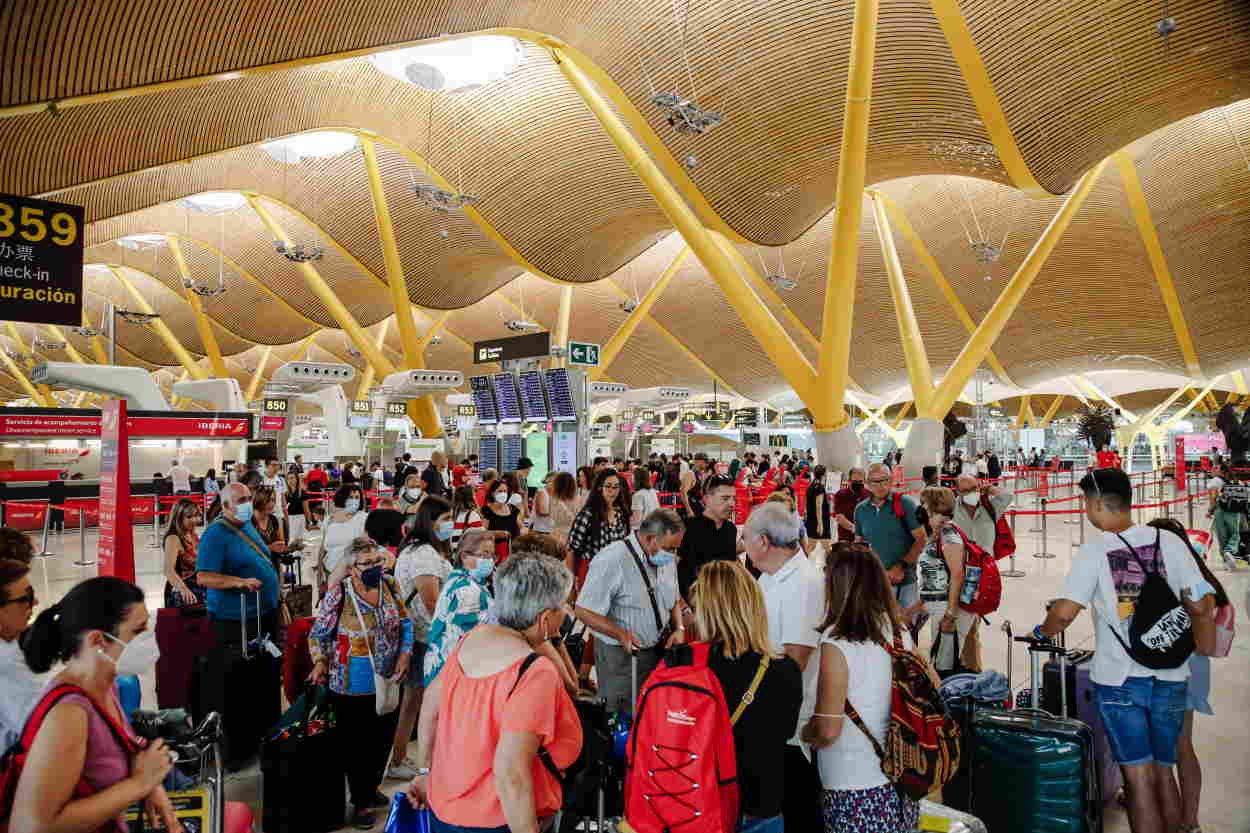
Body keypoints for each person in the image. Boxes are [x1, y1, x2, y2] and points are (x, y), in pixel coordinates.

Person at [1032, 468, 1216, 833]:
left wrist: (1042, 629)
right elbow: (1204, 602)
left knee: (1138, 779)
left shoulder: (1095, 550)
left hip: (1120, 681)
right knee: (1164, 770)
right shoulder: (1170, 541)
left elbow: (1065, 613)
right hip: (1171, 678)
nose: (1085, 510)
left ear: (1098, 504)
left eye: (1086, 502)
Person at [407, 554, 582, 833]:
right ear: (545, 617)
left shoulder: (473, 638)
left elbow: (430, 706)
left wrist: (425, 773)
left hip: (447, 807)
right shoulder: (534, 672)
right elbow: (511, 773)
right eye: (564, 605)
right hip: (498, 819)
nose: (567, 612)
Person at [14, 577, 182, 833]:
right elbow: (32, 826)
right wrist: (139, 784)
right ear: (98, 641)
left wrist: (149, 785)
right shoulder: (68, 714)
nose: (149, 638)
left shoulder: (104, 685)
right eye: (138, 631)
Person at [802, 541, 919, 833]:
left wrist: (804, 733)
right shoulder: (898, 631)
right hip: (900, 780)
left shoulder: (837, 644)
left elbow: (828, 731)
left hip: (852, 783)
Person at [309, 537, 413, 830]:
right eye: (366, 563)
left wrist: (405, 654)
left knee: (382, 739)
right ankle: (361, 802)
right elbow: (318, 634)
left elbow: (405, 623)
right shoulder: (339, 594)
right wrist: (319, 661)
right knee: (356, 745)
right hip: (349, 682)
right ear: (351, 568)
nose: (374, 567)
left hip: (390, 677)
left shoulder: (390, 586)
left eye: (377, 561)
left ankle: (370, 786)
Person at [694, 561, 803, 833]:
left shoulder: (684, 668)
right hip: (760, 802)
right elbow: (785, 731)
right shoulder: (783, 671)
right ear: (754, 604)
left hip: (698, 802)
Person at [743, 501, 826, 831]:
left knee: (796, 813)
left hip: (789, 726)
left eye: (745, 538)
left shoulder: (804, 583)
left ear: (763, 542)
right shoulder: (771, 577)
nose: (742, 546)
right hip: (768, 720)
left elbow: (795, 662)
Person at [1147, 518, 1230, 833]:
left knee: (1160, 751)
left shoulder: (1163, 576)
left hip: (1170, 669)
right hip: (1196, 668)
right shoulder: (1199, 574)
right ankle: (1190, 821)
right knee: (1184, 746)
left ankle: (1164, 815)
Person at [195, 482, 281, 769]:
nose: (247, 503)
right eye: (241, 500)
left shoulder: (246, 524)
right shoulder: (215, 534)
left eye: (248, 498)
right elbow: (204, 577)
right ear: (226, 505)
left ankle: (263, 737)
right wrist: (238, 583)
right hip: (235, 621)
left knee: (262, 681)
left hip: (263, 614)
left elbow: (251, 558)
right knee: (237, 687)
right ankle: (238, 750)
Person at [575, 509, 686, 714]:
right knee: (620, 716)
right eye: (670, 548)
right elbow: (583, 610)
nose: (673, 555)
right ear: (651, 538)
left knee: (648, 712)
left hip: (657, 651)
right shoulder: (612, 559)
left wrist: (678, 627)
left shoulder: (666, 559)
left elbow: (674, 598)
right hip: (622, 658)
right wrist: (619, 633)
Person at [389, 497, 455, 779]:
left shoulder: (418, 548)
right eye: (445, 519)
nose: (450, 525)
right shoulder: (424, 554)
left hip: (421, 634)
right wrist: (450, 633)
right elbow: (431, 601)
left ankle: (401, 755)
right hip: (424, 636)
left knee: (415, 699)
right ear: (431, 521)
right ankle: (399, 757)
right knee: (415, 699)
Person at [854, 463, 926, 629]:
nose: (880, 486)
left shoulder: (906, 504)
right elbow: (860, 545)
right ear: (867, 483)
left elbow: (921, 539)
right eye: (874, 482)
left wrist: (901, 566)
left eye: (884, 480)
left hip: (905, 583)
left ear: (892, 480)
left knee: (907, 633)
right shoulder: (860, 510)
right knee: (878, 633)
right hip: (875, 583)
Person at [423, 529, 497, 686]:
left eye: (491, 555)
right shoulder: (468, 591)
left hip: (445, 670)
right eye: (484, 555)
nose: (489, 560)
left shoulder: (461, 579)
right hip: (454, 673)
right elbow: (471, 638)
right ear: (464, 556)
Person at [915, 487, 978, 673]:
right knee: (940, 660)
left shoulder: (949, 533)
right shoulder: (937, 531)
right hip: (936, 604)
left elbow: (957, 575)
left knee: (944, 666)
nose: (921, 509)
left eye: (924, 504)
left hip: (947, 607)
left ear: (933, 507)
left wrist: (950, 614)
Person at [0, 558, 47, 753]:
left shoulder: (9, 644)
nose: (34, 602)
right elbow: (42, 724)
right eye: (25, 598)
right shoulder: (6, 662)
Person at [567, 469, 632, 587]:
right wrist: (571, 585)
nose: (612, 491)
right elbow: (571, 550)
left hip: (616, 572)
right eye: (608, 486)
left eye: (616, 487)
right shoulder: (588, 514)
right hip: (591, 573)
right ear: (599, 488)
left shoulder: (621, 513)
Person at [314, 483, 368, 588]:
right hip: (329, 572)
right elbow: (322, 549)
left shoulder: (364, 518)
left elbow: (367, 548)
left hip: (353, 576)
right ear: (342, 498)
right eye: (351, 497)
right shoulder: (329, 519)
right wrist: (319, 572)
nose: (354, 500)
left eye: (357, 497)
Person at [162, 498, 205, 608]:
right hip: (182, 591)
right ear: (178, 518)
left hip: (197, 587)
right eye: (189, 517)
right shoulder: (173, 538)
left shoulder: (192, 535)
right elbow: (168, 570)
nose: (195, 520)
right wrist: (183, 589)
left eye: (197, 516)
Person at [1206, 464, 1247, 570]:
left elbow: (1213, 497)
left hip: (1220, 510)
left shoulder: (1215, 481)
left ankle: (1226, 558)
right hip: (1234, 511)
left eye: (1216, 468)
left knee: (1222, 537)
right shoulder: (1236, 480)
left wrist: (1210, 510)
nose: (1213, 469)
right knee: (1234, 534)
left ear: (1222, 471)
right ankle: (1229, 552)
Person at [481, 478, 522, 562]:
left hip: (513, 553)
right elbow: (482, 533)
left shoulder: (513, 509)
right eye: (500, 491)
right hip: (494, 554)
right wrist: (497, 534)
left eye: (505, 491)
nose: (503, 494)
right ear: (493, 493)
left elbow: (521, 529)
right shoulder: (486, 510)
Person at [250, 486, 288, 573]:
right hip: (254, 570)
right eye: (268, 500)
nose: (271, 504)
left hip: (273, 568)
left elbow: (281, 544)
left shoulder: (273, 519)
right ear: (258, 500)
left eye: (273, 500)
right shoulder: (249, 521)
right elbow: (245, 551)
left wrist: (292, 547)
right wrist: (269, 548)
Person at [831, 468, 866, 543]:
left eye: (860, 481)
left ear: (864, 481)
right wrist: (856, 530)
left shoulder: (869, 495)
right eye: (855, 481)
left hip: (865, 539)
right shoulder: (840, 495)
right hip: (846, 539)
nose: (858, 484)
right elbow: (839, 517)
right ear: (849, 481)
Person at [546, 472, 578, 549]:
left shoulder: (552, 499)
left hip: (555, 534)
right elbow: (575, 519)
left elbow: (551, 516)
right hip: (571, 536)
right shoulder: (577, 499)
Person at [448, 485, 483, 549]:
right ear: (470, 499)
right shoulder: (473, 516)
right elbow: (479, 539)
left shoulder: (450, 514)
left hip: (452, 552)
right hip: (465, 552)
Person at [805, 464, 832, 543]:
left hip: (811, 519)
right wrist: (820, 525)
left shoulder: (811, 485)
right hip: (819, 520)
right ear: (824, 474)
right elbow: (818, 506)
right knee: (826, 544)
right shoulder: (820, 487)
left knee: (812, 544)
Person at [261, 458, 288, 531]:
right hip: (264, 517)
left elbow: (283, 500)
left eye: (278, 465)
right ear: (266, 466)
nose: (276, 468)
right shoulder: (260, 480)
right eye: (273, 465)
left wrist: (286, 516)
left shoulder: (281, 480)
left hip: (279, 515)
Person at [284, 471, 309, 544]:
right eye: (288, 479)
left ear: (297, 479)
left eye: (292, 478)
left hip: (300, 518)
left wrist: (308, 522)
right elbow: (285, 509)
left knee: (299, 541)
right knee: (291, 540)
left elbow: (306, 509)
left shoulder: (302, 493)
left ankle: (298, 555)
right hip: (289, 519)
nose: (290, 481)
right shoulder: (285, 494)